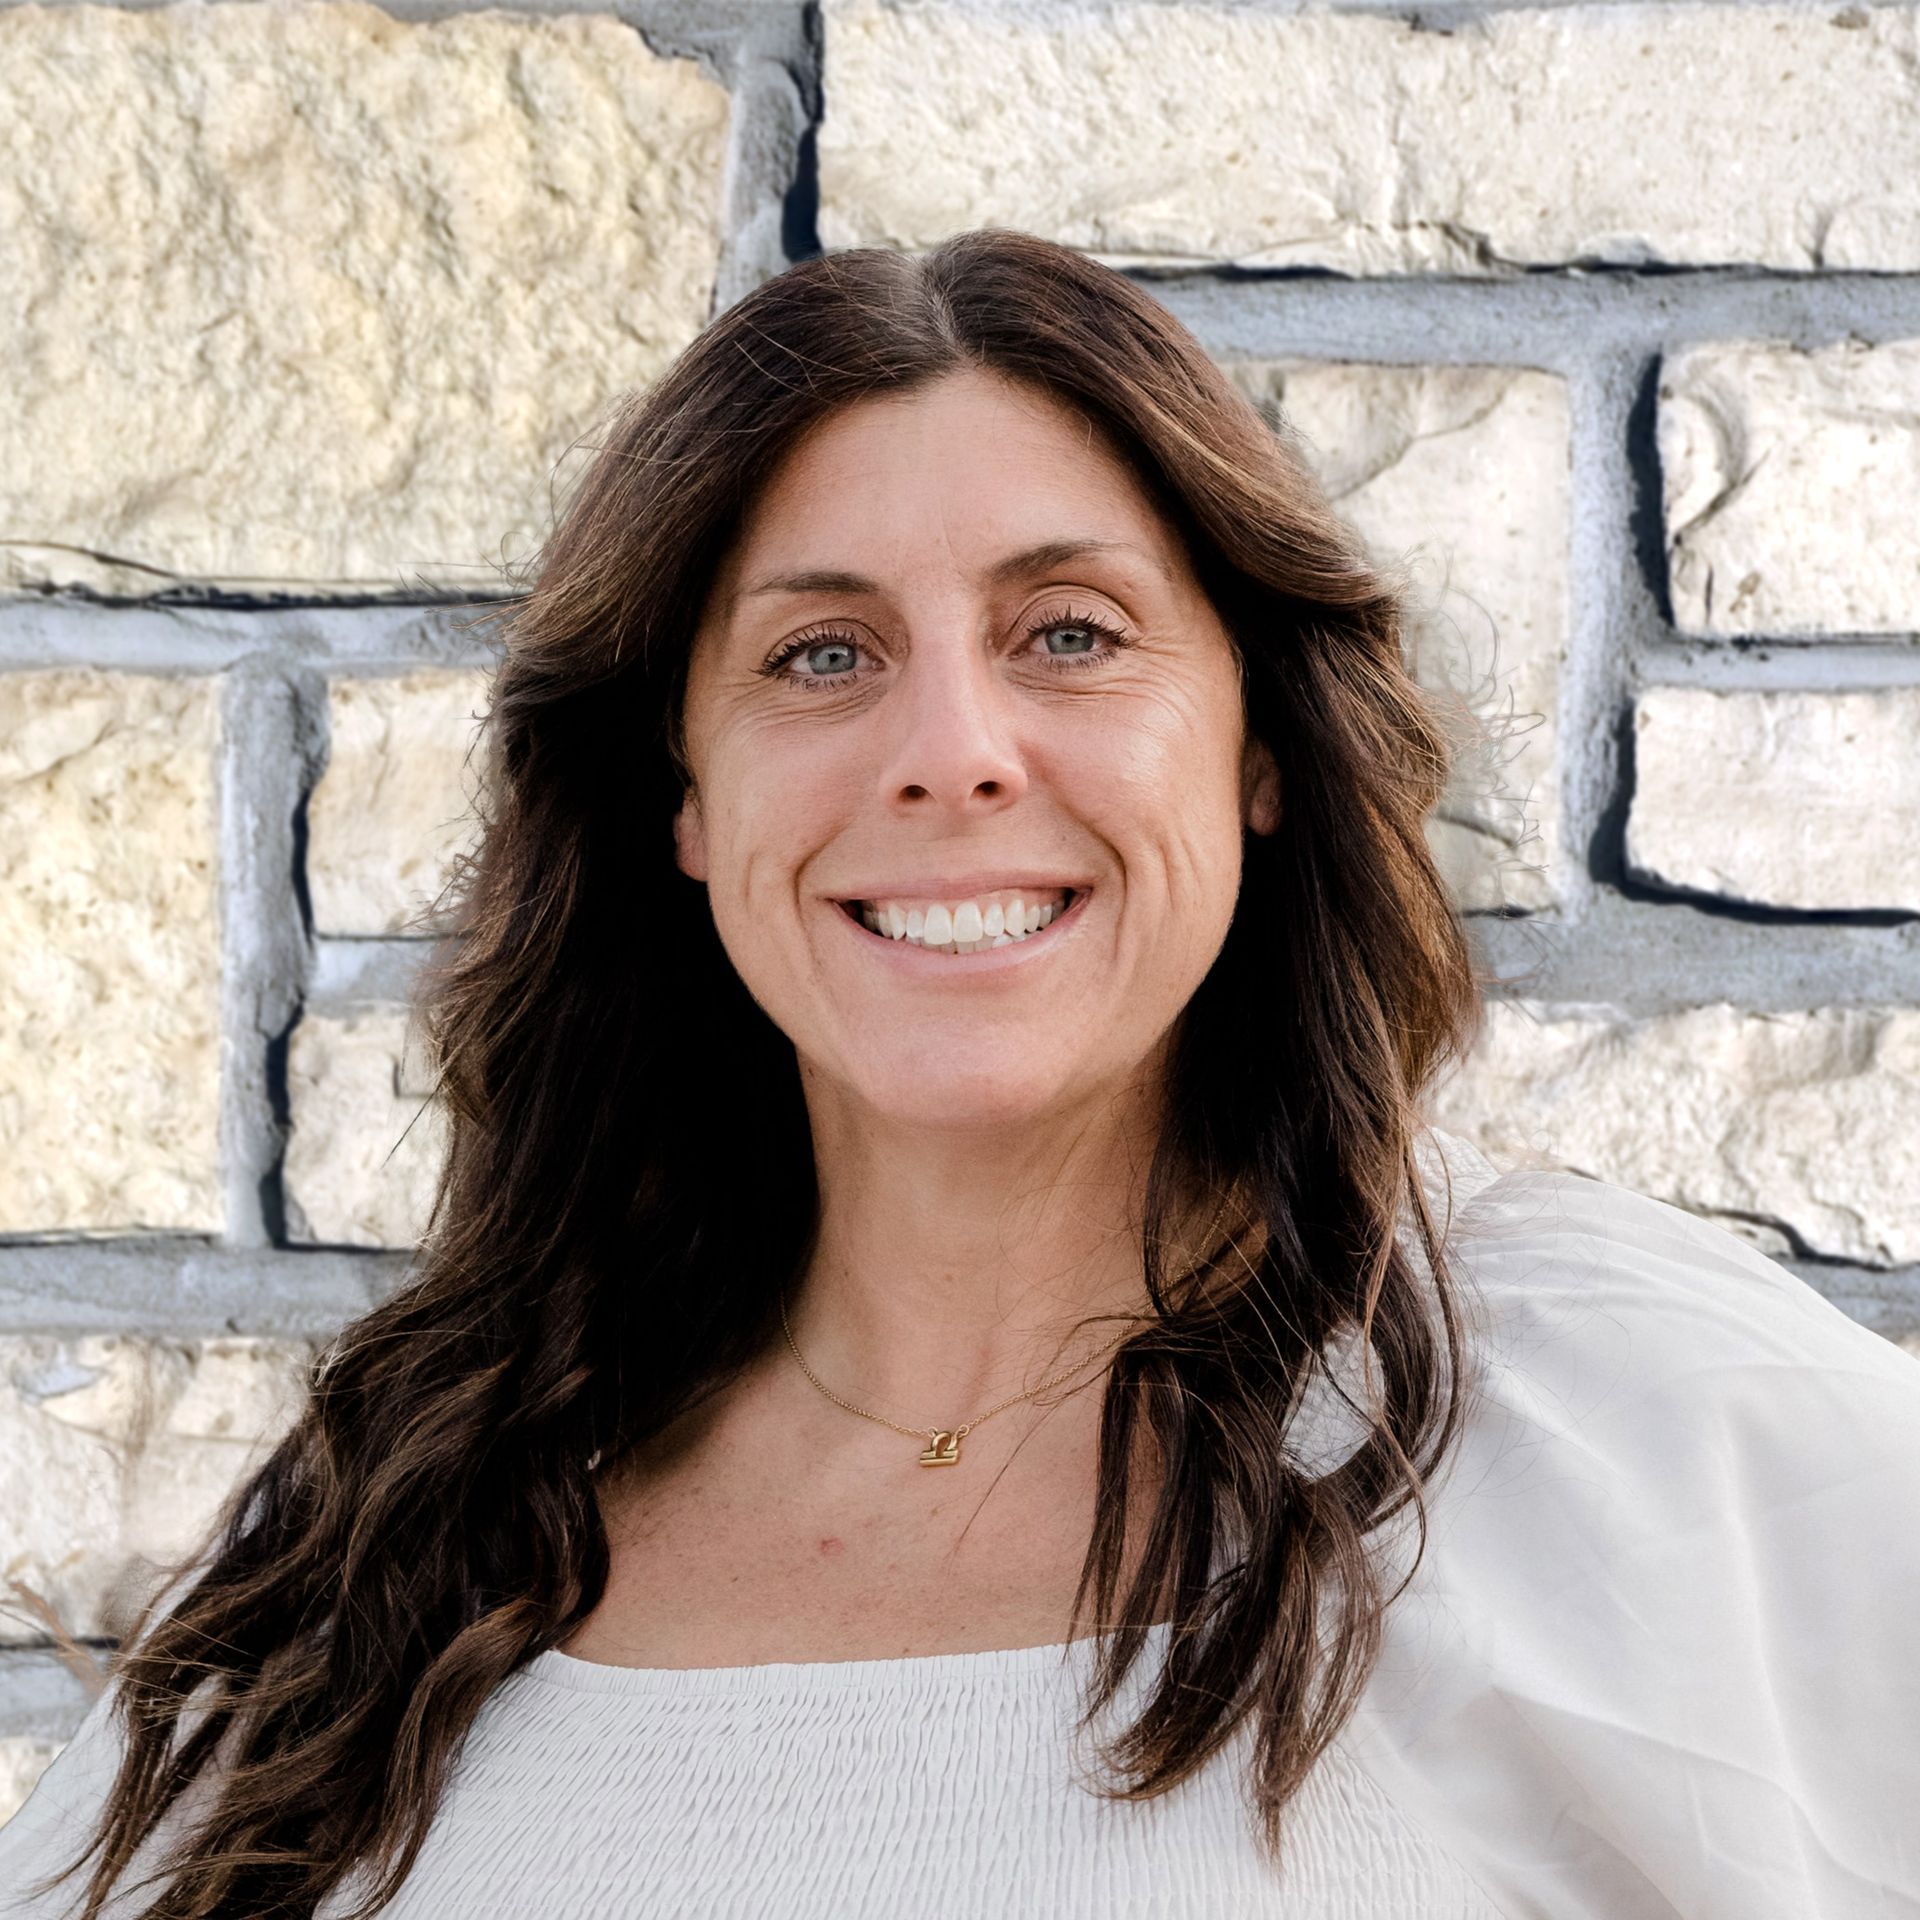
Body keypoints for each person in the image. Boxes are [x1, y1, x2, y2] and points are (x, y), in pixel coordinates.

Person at [4, 229, 1918, 1920]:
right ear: (683, 799)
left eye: (1069, 635)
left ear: (1260, 751)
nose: (953, 750)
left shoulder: (1607, 1428)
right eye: (823, 656)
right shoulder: (401, 1520)